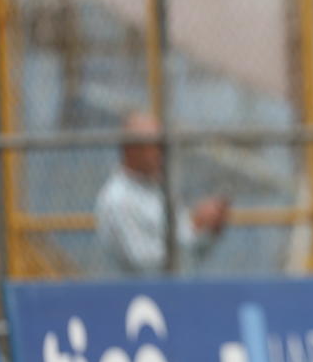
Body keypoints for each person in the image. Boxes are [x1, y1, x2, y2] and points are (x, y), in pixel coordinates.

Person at [94, 110, 230, 275]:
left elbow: (190, 257)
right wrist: (195, 226)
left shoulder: (159, 192)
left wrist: (207, 232)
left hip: (174, 293)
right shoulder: (117, 199)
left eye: (163, 146)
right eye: (156, 146)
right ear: (130, 149)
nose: (162, 154)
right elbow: (143, 264)